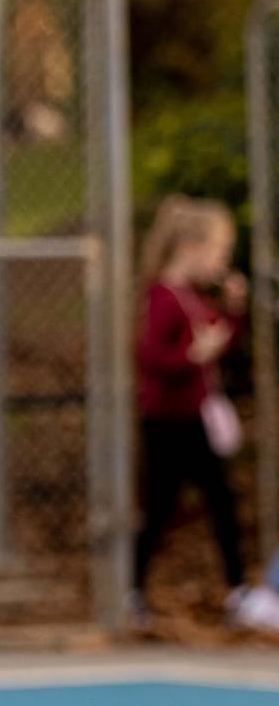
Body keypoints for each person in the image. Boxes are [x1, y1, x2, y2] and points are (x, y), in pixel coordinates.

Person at [131, 194, 249, 627]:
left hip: (195, 415)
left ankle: (238, 590)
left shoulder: (193, 298)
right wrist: (192, 357)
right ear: (191, 247)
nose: (221, 261)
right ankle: (131, 589)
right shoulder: (164, 297)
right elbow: (151, 358)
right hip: (168, 419)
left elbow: (223, 343)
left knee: (221, 500)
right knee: (162, 506)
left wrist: (233, 312)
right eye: (217, 251)